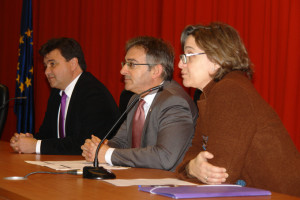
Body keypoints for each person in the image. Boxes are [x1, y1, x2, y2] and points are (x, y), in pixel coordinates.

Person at [175, 22, 300, 196]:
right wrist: (191, 167)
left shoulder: (230, 91)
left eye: (189, 55)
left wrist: (190, 168)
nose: (181, 64)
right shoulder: (210, 94)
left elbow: (220, 176)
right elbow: (193, 152)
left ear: (215, 59)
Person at [81, 36, 198, 171]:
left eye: (131, 64)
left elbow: (164, 157)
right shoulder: (136, 98)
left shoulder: (174, 102)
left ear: (155, 71)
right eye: (124, 63)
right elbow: (121, 142)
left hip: (167, 184)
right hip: (139, 179)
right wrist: (98, 147)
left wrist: (107, 154)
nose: (123, 70)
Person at [10, 37, 120, 155]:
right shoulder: (57, 93)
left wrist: (36, 145)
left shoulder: (94, 93)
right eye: (45, 66)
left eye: (52, 64)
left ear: (73, 64)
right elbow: (48, 134)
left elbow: (85, 143)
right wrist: (30, 140)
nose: (47, 71)